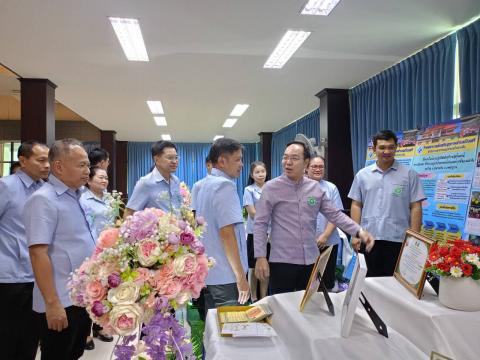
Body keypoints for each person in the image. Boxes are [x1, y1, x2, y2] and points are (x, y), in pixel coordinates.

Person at [254, 141, 375, 295]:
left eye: (294, 158)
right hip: (282, 261)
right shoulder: (271, 188)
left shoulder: (314, 188)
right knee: (281, 307)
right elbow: (260, 224)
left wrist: (359, 231)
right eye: (285, 157)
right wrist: (260, 256)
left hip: (311, 260)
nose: (288, 162)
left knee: (308, 306)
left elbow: (335, 214)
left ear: (306, 162)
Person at [25, 138, 95, 360]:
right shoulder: (43, 200)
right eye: (81, 165)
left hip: (80, 297)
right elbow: (38, 254)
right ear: (59, 167)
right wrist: (52, 304)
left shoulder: (78, 196)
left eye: (88, 165)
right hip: (60, 301)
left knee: (74, 353)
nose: (87, 171)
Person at [349, 130, 426, 277]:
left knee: (395, 283)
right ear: (374, 149)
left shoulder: (409, 175)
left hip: (398, 240)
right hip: (369, 238)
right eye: (382, 147)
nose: (387, 151)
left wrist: (414, 238)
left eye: (391, 147)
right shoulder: (362, 175)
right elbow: (356, 205)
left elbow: (416, 207)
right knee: (368, 282)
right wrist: (355, 234)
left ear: (397, 147)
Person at [0, 140, 49, 360]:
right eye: (41, 160)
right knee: (8, 339)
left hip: (37, 277)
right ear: (23, 160)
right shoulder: (7, 186)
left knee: (30, 339)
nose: (47, 165)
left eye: (49, 160)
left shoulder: (45, 189)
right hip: (10, 277)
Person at [196, 138, 249, 314]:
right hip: (226, 275)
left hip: (208, 272)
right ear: (222, 161)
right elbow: (227, 234)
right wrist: (241, 277)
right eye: (237, 159)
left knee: (213, 329)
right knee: (232, 331)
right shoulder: (225, 185)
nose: (241, 164)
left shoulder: (201, 185)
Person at [80, 167, 115, 349]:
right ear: (89, 180)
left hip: (110, 251)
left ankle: (101, 327)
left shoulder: (109, 198)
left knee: (105, 291)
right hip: (92, 250)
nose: (104, 180)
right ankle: (86, 332)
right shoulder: (83, 200)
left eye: (106, 178)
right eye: (100, 177)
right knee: (89, 291)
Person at [307, 155, 343, 291]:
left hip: (328, 243)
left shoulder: (331, 188)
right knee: (307, 281)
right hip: (304, 244)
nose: (318, 169)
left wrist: (325, 236)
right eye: (314, 166)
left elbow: (336, 215)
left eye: (321, 166)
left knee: (326, 280)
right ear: (306, 168)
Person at [125, 141, 181, 216]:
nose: (174, 161)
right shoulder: (145, 183)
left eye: (176, 157)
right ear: (156, 160)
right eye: (170, 158)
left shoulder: (176, 181)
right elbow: (129, 212)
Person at [243, 161, 269, 301]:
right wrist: (268, 215)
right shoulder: (249, 190)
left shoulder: (271, 188)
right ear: (252, 175)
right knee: (253, 267)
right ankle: (253, 297)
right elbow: (252, 212)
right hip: (255, 233)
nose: (260, 174)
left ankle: (264, 297)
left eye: (262, 171)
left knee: (266, 266)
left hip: (270, 233)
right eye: (257, 172)